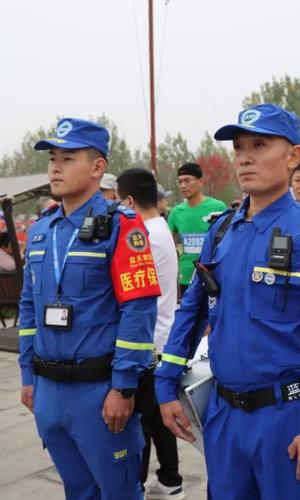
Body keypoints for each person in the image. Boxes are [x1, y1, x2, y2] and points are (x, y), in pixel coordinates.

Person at [156, 104, 300, 499]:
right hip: (223, 416)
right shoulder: (221, 231)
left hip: (288, 420)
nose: (244, 157)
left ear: (292, 156)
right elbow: (192, 311)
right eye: (238, 147)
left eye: (259, 145)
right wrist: (165, 383)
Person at [18, 118, 160, 499]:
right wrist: (28, 374)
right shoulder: (42, 230)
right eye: (52, 158)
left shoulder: (121, 225)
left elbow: (138, 311)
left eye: (68, 158)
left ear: (98, 167)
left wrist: (124, 387)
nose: (56, 167)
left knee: (119, 492)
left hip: (98, 392)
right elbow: (29, 307)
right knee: (77, 491)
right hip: (48, 390)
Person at [116, 168, 184, 499]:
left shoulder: (142, 234)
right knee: (157, 418)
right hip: (160, 336)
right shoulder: (159, 227)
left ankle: (137, 485)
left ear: (129, 201)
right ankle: (170, 481)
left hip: (147, 340)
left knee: (140, 421)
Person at [168, 163, 227, 296]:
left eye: (187, 180)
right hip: (186, 277)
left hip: (212, 276)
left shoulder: (218, 207)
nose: (183, 186)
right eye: (180, 182)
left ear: (200, 182)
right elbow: (168, 244)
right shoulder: (176, 212)